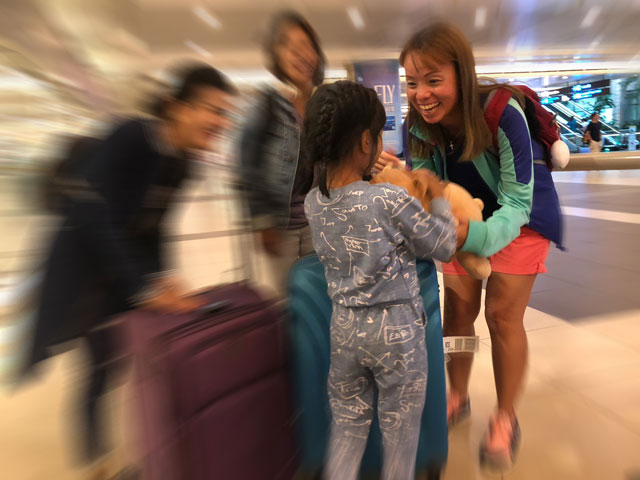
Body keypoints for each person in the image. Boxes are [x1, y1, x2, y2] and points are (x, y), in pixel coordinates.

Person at [23, 64, 235, 478]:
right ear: (176, 107)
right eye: (211, 110)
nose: (219, 122)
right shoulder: (132, 137)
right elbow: (92, 216)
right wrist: (143, 286)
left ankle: (138, 450)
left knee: (123, 363)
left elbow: (155, 225)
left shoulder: (183, 163)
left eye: (224, 113)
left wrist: (160, 278)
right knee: (98, 368)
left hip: (123, 272)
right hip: (87, 272)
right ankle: (99, 464)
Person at [389, 23, 564, 470]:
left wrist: (475, 237)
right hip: (465, 222)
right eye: (412, 82)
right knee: (459, 312)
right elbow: (430, 192)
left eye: (433, 80)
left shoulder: (504, 114)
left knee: (502, 316)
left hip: (521, 218)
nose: (421, 94)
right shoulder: (417, 127)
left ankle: (506, 417)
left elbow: (519, 200)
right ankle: (457, 394)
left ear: (461, 75)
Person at [302, 80, 462, 480]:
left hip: (345, 332)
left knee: (348, 427)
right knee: (400, 434)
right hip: (397, 338)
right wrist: (438, 195)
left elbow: (351, 203)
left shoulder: (313, 203)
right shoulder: (388, 200)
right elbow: (442, 245)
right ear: (366, 141)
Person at [239, 10, 325, 297]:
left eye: (306, 45)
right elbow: (246, 163)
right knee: (286, 303)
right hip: (281, 228)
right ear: (276, 56)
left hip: (317, 223)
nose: (300, 53)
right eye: (288, 45)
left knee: (316, 299)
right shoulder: (267, 104)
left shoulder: (322, 106)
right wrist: (261, 221)